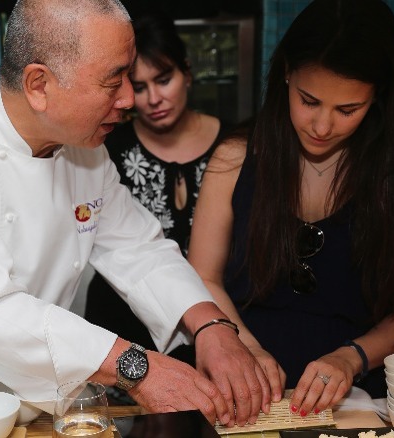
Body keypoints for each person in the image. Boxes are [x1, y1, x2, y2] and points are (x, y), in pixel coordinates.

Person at [0, 0, 272, 427]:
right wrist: (140, 369)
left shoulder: (87, 154)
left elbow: (142, 249)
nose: (129, 100)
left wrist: (212, 327)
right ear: (39, 85)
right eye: (113, 80)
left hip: (8, 402)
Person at [187, 0, 394, 419]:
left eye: (348, 110)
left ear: (378, 97)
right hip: (236, 384)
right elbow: (204, 275)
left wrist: (351, 358)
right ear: (287, 74)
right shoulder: (235, 157)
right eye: (309, 101)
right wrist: (244, 348)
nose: (322, 126)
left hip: (358, 394)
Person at [84, 12, 228, 376]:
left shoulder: (233, 147)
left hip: (211, 320)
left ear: (188, 72)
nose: (153, 98)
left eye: (164, 80)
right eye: (139, 86)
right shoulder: (106, 145)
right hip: (120, 331)